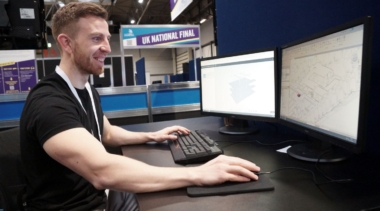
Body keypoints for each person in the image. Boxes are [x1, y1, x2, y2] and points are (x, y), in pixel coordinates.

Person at [19, 2, 260, 210]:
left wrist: (151, 136)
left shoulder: (87, 90)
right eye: (96, 38)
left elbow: (107, 133)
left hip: (97, 199)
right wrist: (198, 174)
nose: (107, 47)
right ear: (67, 43)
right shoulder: (49, 103)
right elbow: (102, 172)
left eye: (106, 37)